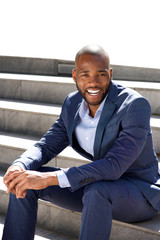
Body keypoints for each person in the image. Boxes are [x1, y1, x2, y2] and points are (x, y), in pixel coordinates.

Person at [2, 45, 160, 240]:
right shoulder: (72, 103)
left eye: (101, 74)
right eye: (85, 75)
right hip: (98, 183)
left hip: (138, 193)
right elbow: (46, 146)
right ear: (75, 76)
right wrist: (20, 165)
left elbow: (114, 166)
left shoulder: (134, 106)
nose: (93, 83)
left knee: (97, 191)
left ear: (110, 74)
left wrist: (51, 178)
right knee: (24, 180)